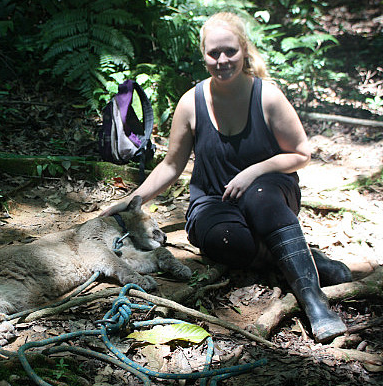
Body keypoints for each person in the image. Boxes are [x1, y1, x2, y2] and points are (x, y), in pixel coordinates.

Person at [100, 12, 351, 343]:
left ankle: (315, 302)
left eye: (230, 51)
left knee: (261, 199)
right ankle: (302, 259)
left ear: (244, 49)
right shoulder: (191, 103)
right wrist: (130, 202)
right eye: (213, 53)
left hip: (270, 192)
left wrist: (253, 171)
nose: (222, 60)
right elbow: (171, 166)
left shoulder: (267, 96)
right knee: (226, 241)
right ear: (203, 55)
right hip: (214, 200)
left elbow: (301, 154)